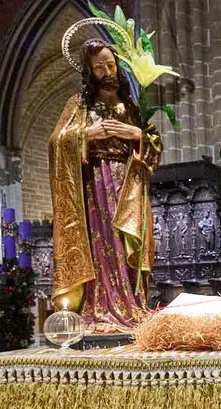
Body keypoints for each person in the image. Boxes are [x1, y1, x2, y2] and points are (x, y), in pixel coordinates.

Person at [49, 39, 162, 333]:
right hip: (96, 186)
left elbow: (154, 148)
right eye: (99, 67)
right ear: (90, 71)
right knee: (103, 244)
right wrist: (88, 134)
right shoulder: (79, 104)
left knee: (128, 244)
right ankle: (103, 307)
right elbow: (57, 142)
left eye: (110, 64)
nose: (107, 71)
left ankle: (133, 305)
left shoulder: (133, 107)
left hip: (129, 184)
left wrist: (136, 133)